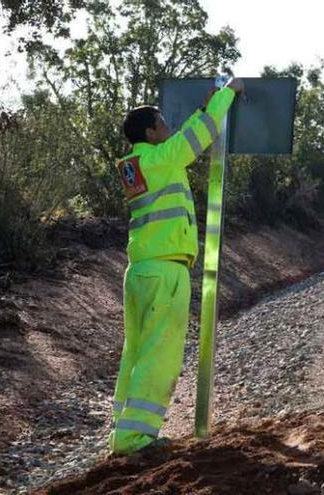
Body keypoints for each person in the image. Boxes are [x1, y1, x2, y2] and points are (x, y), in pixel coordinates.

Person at [109, 78, 244, 455]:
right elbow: (196, 137)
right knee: (160, 354)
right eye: (163, 124)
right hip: (165, 271)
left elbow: (185, 136)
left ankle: (123, 433)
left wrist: (204, 109)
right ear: (151, 133)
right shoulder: (159, 158)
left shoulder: (135, 164)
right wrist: (226, 94)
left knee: (135, 353)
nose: (169, 128)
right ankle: (136, 439)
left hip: (140, 271)